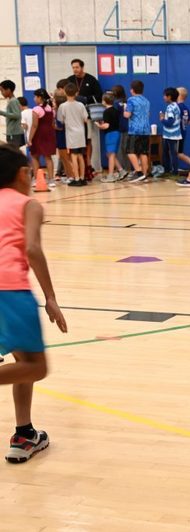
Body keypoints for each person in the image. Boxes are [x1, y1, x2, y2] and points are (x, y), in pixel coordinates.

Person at [0, 144, 68, 463]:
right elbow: (32, 249)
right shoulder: (30, 205)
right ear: (22, 174)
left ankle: (24, 433)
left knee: (21, 362)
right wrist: (51, 298)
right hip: (11, 290)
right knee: (37, 367)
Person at [66, 59, 103, 180]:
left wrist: (85, 99)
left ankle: (88, 163)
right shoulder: (70, 80)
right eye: (73, 67)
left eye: (77, 67)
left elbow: (99, 95)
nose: (75, 70)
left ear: (82, 67)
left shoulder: (91, 80)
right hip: (73, 114)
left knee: (88, 140)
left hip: (87, 113)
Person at [56, 83, 88, 187]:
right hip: (81, 133)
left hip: (71, 133)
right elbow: (85, 119)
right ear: (76, 92)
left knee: (73, 156)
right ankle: (83, 178)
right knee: (80, 155)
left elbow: (60, 120)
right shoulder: (81, 105)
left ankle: (77, 178)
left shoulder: (63, 106)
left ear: (65, 92)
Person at [123, 80, 151, 183]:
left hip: (135, 129)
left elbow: (128, 115)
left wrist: (124, 109)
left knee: (130, 151)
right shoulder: (146, 101)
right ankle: (144, 175)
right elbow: (148, 114)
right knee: (143, 153)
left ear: (132, 90)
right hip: (146, 129)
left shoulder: (131, 100)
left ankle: (139, 172)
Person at [27, 90, 57, 183]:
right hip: (50, 134)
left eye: (35, 97)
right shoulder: (51, 109)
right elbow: (52, 124)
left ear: (40, 98)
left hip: (39, 134)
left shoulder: (36, 109)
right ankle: (51, 180)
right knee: (48, 157)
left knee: (35, 156)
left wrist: (30, 138)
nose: (34, 99)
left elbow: (34, 125)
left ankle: (36, 179)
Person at [95, 93, 122, 182]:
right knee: (110, 154)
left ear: (104, 101)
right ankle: (121, 170)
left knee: (110, 155)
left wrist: (98, 125)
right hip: (116, 133)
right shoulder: (115, 110)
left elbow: (106, 126)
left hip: (110, 134)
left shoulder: (106, 111)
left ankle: (110, 175)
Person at [159, 87, 181, 177]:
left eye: (165, 95)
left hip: (171, 134)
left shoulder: (170, 107)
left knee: (172, 153)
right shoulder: (176, 106)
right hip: (172, 134)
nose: (163, 97)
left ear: (169, 97)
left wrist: (162, 119)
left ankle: (173, 171)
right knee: (168, 153)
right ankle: (168, 170)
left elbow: (170, 122)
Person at [110, 85, 131, 176]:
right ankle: (128, 169)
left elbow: (114, 116)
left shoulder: (115, 103)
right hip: (128, 127)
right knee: (127, 149)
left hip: (119, 128)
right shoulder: (127, 101)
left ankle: (122, 170)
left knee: (119, 150)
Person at [0, 81, 24, 149]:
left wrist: (1, 113)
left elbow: (17, 115)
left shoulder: (13, 101)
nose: (1, 93)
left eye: (2, 90)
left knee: (14, 153)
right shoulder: (12, 100)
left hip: (14, 133)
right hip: (13, 133)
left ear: (9, 90)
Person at [176, 87, 190, 171]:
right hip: (183, 132)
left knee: (179, 153)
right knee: (177, 153)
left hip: (177, 134)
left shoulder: (177, 107)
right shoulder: (186, 108)